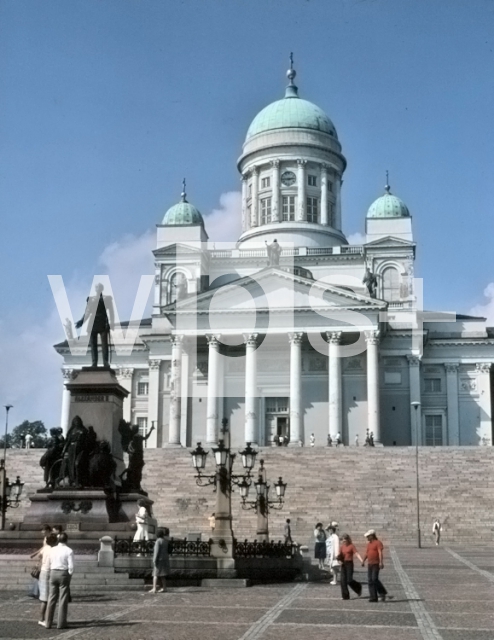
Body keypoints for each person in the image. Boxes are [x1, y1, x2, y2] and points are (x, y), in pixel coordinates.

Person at [75, 282, 115, 368]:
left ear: (102, 289)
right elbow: (87, 312)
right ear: (95, 289)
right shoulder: (91, 299)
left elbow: (111, 311)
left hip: (103, 321)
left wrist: (111, 323)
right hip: (93, 321)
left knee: (105, 344)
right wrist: (81, 321)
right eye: (96, 287)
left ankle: (105, 362)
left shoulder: (107, 298)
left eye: (99, 287)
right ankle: (94, 362)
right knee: (93, 344)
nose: (98, 288)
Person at [42, 532, 74, 629]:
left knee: (51, 598)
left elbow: (48, 563)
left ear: (58, 540)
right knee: (63, 599)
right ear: (66, 540)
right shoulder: (69, 551)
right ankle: (61, 623)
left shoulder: (52, 550)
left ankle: (48, 622)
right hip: (63, 573)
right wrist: (69, 575)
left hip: (53, 572)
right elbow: (71, 567)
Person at [33, 532, 58, 625]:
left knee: (44, 598)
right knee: (50, 598)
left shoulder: (45, 548)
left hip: (43, 572)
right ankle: (47, 618)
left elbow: (39, 556)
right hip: (51, 572)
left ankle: (42, 618)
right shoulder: (54, 550)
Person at [362, 529, 388, 602]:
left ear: (372, 536)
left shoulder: (378, 543)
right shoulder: (369, 544)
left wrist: (381, 562)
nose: (367, 538)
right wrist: (363, 561)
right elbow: (367, 553)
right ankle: (373, 597)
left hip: (376, 563)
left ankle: (382, 592)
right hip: (370, 564)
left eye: (368, 536)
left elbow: (380, 552)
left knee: (374, 579)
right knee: (370, 580)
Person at [339, 534, 363, 599]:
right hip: (343, 564)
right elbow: (339, 555)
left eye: (345, 539)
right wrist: (339, 561)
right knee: (343, 580)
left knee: (349, 580)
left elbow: (356, 553)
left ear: (348, 539)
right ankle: (345, 596)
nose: (344, 541)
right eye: (342, 540)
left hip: (349, 564)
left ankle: (358, 587)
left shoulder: (351, 546)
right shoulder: (342, 547)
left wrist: (362, 561)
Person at [149, 528, 170, 593]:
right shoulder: (165, 541)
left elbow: (156, 552)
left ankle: (154, 588)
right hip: (165, 559)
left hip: (159, 560)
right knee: (163, 575)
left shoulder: (158, 541)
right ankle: (164, 588)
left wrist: (154, 560)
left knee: (155, 574)